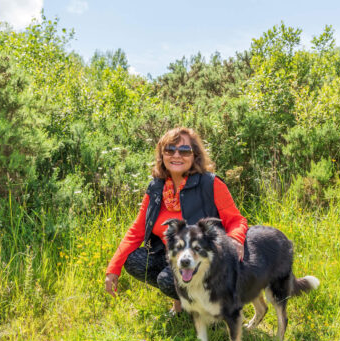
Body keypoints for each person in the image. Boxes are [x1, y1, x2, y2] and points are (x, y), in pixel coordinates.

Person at [104, 127, 248, 313]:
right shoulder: (157, 187)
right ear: (162, 155)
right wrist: (113, 268)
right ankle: (183, 299)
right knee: (133, 260)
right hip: (176, 257)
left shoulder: (210, 184)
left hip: (208, 263)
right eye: (170, 150)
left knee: (166, 279)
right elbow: (137, 230)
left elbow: (237, 220)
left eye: (184, 150)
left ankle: (213, 307)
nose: (176, 155)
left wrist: (236, 239)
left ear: (194, 155)